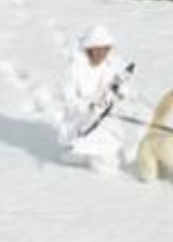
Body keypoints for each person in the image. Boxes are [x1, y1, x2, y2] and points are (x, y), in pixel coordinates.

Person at [57, 24, 135, 174]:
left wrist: (119, 92)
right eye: (98, 49)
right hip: (82, 122)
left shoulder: (109, 65)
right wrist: (87, 106)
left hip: (104, 119)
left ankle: (89, 156)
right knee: (104, 168)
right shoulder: (74, 69)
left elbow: (118, 87)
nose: (102, 53)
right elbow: (68, 98)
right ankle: (81, 158)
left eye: (105, 49)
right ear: (89, 48)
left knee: (109, 154)